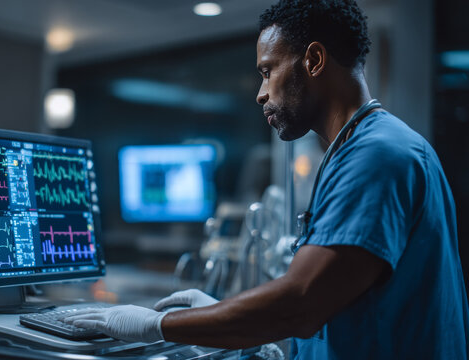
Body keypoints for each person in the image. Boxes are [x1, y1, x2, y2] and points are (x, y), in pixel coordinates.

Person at [65, 0, 469, 358]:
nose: (260, 93)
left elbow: (301, 302)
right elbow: (339, 301)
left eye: (267, 71)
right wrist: (243, 329)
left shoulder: (377, 154)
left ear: (313, 60)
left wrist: (155, 326)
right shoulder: (357, 148)